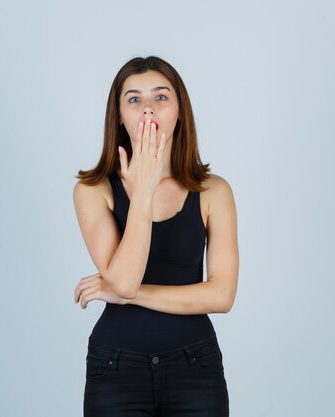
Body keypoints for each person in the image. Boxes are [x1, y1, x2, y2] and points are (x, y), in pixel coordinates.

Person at [72, 55, 239, 417]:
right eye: (134, 99)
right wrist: (143, 190)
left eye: (161, 97)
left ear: (180, 111)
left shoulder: (214, 191)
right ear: (119, 116)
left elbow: (222, 296)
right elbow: (126, 279)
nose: (148, 108)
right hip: (116, 369)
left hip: (195, 368)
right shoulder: (93, 189)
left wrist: (120, 293)